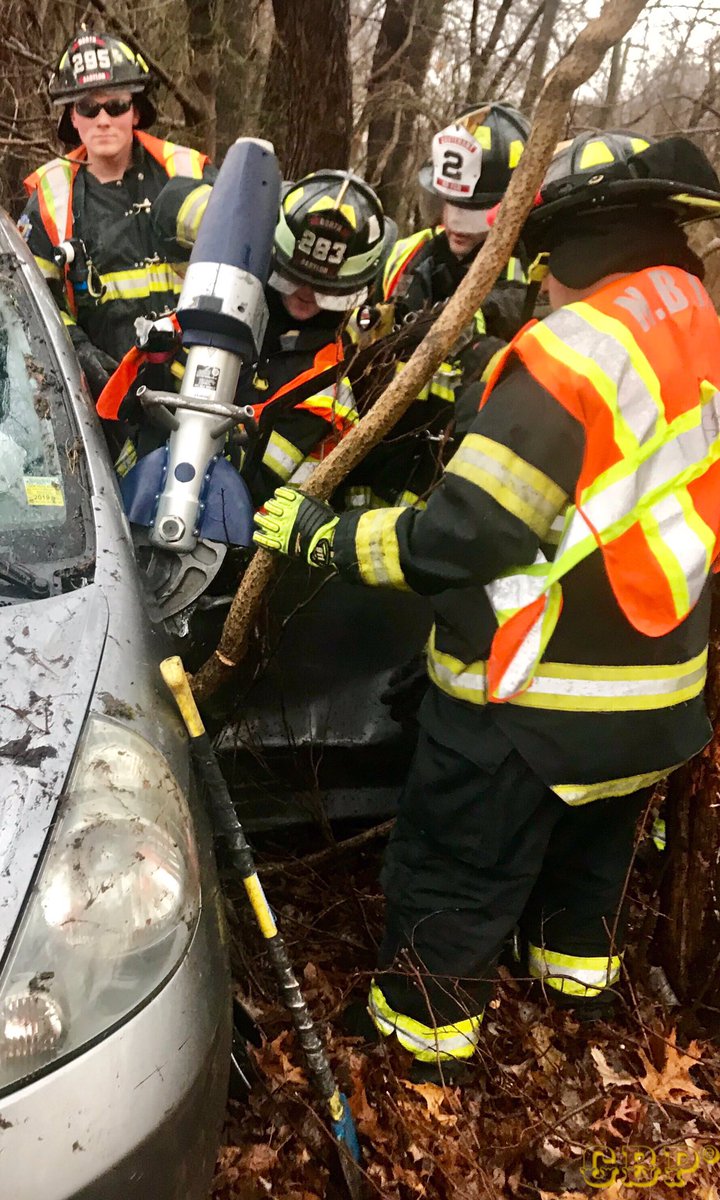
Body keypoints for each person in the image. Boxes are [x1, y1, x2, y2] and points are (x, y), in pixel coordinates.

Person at [255, 131, 720, 1082]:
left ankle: (417, 1052)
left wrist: (324, 537)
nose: (538, 282)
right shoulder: (695, 319)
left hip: (533, 705)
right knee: (583, 884)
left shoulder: (574, 350)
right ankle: (578, 1028)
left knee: (454, 880)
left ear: (572, 241)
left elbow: (464, 535)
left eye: (542, 260)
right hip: (656, 698)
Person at [98, 169, 391, 503]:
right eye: (295, 276)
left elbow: (254, 484)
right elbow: (133, 409)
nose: (306, 292)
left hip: (231, 522)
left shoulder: (324, 385)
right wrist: (158, 364)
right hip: (127, 493)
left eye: (325, 288)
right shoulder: (220, 309)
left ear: (351, 287)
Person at [345, 102, 531, 510]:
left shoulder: (532, 280)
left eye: (476, 210)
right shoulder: (404, 256)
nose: (458, 223)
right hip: (379, 462)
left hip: (457, 480)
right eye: (450, 203)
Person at [19, 30, 217, 399]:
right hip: (106, 398)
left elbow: (236, 264)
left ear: (136, 111)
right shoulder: (51, 197)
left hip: (199, 383)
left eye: (116, 106)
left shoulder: (187, 171)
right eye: (88, 108)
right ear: (72, 117)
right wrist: (78, 350)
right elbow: (31, 302)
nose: (103, 119)